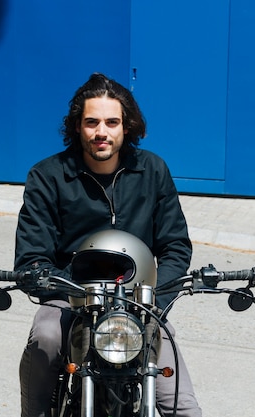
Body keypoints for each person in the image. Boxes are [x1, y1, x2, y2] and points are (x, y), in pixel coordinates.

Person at [14, 73, 201, 417]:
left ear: (127, 126)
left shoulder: (153, 170)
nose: (102, 132)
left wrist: (155, 301)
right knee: (46, 338)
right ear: (77, 127)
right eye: (91, 122)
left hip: (138, 302)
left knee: (182, 406)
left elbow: (175, 245)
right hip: (70, 297)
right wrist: (51, 281)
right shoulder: (48, 176)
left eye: (112, 122)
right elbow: (32, 257)